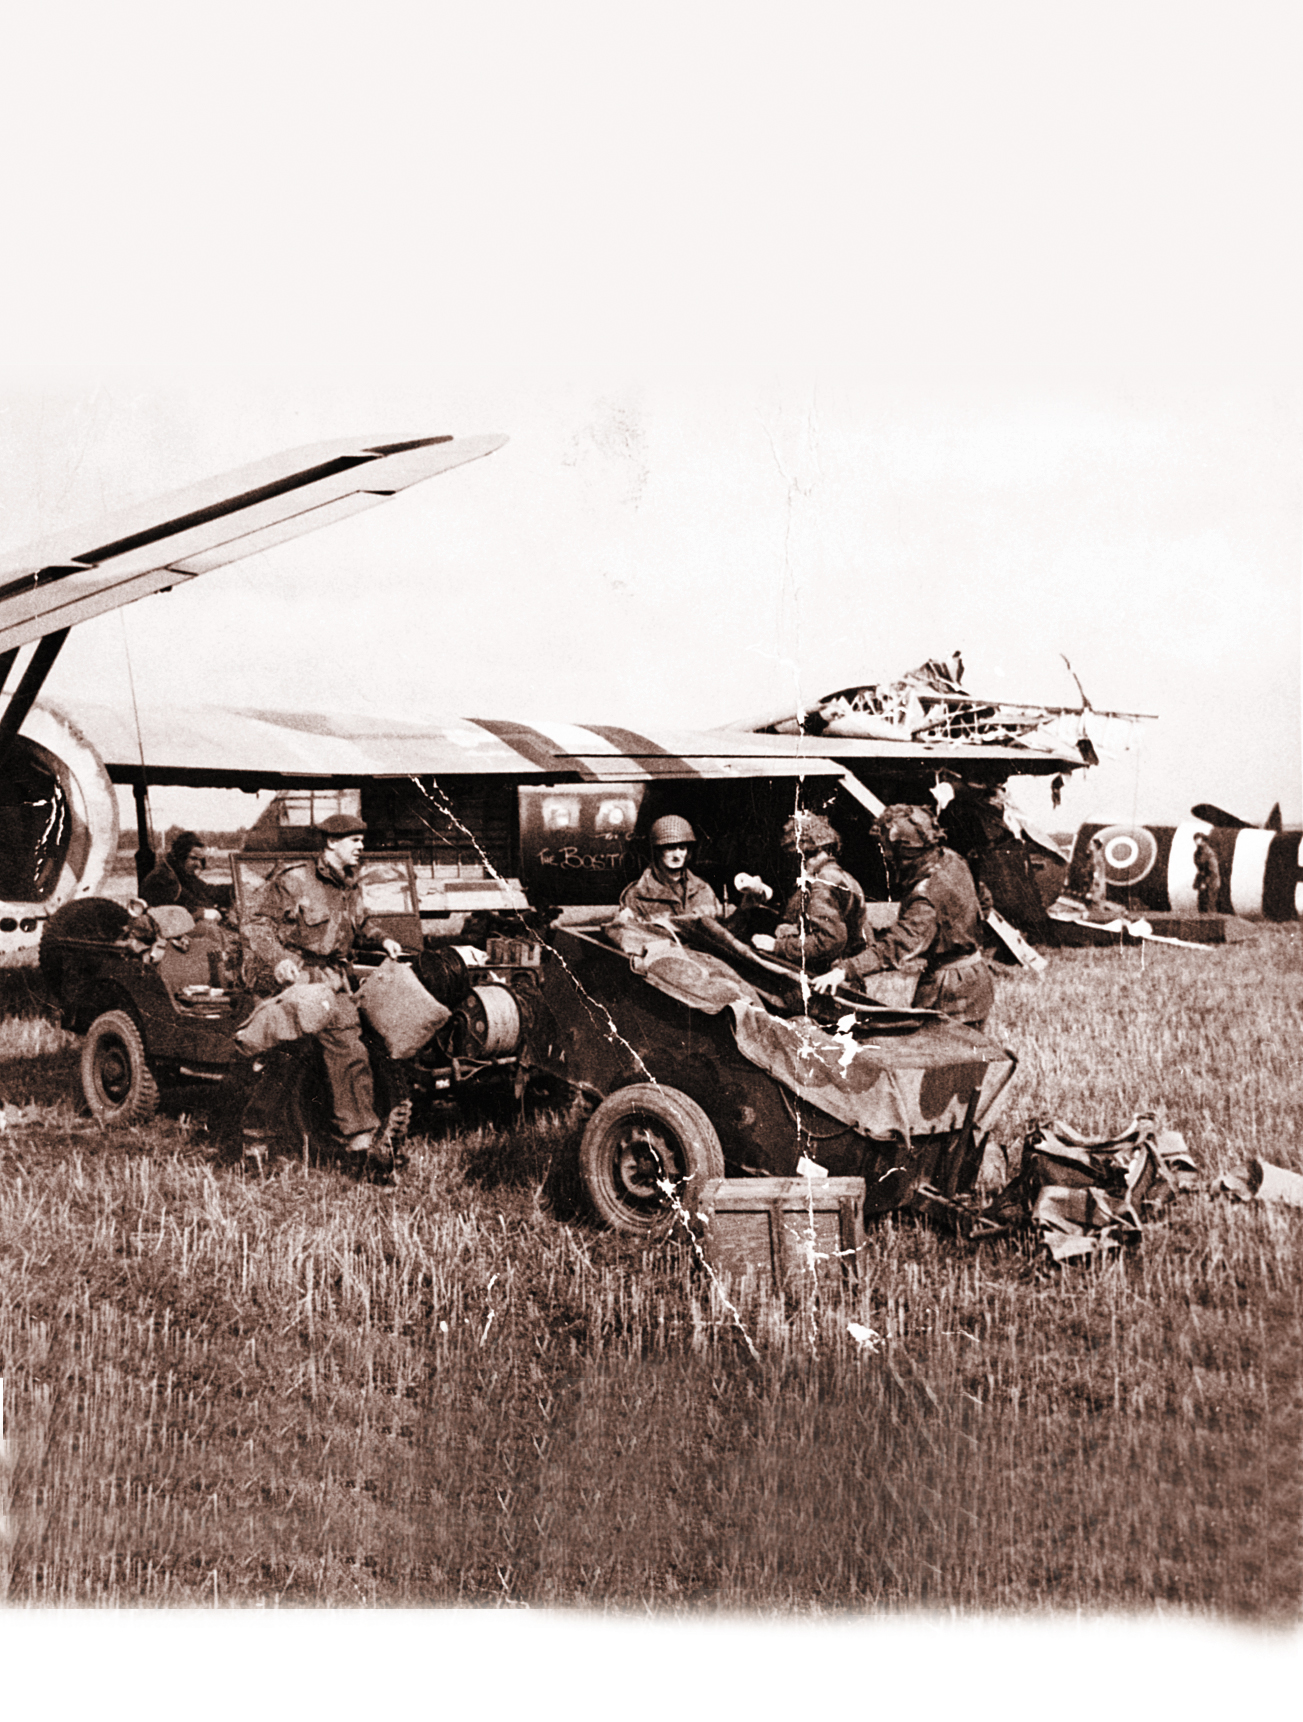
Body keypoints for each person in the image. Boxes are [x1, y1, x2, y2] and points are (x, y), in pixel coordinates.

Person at [243, 813, 404, 1168]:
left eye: (362, 840)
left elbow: (360, 921)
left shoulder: (349, 881)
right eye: (354, 841)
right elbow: (256, 925)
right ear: (332, 842)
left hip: (333, 980)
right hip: (297, 980)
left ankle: (360, 1148)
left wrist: (383, 939)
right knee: (286, 1060)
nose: (361, 847)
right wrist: (279, 960)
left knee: (351, 1054)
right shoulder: (294, 879)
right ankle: (256, 1143)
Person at [811, 803, 994, 1030]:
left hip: (950, 991)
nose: (886, 856)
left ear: (903, 851)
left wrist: (844, 970)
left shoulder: (925, 894)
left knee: (939, 1048)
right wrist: (958, 931)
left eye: (887, 849)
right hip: (975, 976)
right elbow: (983, 900)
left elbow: (896, 947)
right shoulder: (952, 860)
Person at [749, 812, 868, 973]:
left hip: (826, 975)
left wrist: (777, 946)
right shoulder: (842, 877)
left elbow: (829, 941)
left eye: (796, 856)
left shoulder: (823, 881)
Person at [619, 815, 724, 925]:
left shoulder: (702, 889)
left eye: (682, 848)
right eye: (670, 848)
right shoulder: (637, 895)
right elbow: (629, 932)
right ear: (657, 851)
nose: (677, 855)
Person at [141, 830, 234, 920]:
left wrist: (234, 889)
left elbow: (206, 890)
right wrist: (204, 912)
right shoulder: (161, 878)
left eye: (200, 860)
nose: (198, 864)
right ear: (180, 856)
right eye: (193, 858)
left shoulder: (183, 874)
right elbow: (179, 908)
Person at [1193, 833, 1221, 915]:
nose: (1196, 841)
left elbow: (1213, 871)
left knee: (1209, 905)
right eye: (1195, 839)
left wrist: (1205, 882)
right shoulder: (1198, 852)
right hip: (1204, 880)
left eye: (1198, 839)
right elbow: (1200, 868)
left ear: (1202, 839)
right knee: (1202, 904)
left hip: (1211, 881)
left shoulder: (1208, 853)